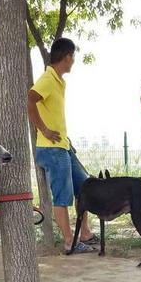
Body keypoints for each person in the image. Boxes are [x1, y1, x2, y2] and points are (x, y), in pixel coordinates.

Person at [27, 37, 97, 254]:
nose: (73, 61)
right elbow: (30, 99)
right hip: (51, 149)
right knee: (63, 196)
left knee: (85, 187)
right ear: (67, 57)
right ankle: (69, 242)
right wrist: (44, 130)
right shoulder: (48, 79)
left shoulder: (57, 80)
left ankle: (84, 233)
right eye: (73, 57)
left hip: (63, 147)